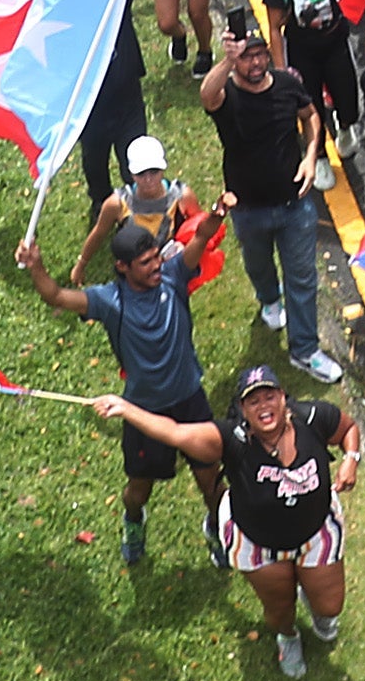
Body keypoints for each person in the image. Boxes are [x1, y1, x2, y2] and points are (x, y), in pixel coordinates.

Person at [91, 365, 360, 679]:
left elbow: (348, 429)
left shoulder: (313, 417)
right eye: (253, 401)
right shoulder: (230, 440)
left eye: (269, 396)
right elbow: (174, 432)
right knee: (279, 611)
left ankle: (312, 596)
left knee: (329, 607)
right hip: (259, 544)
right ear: (243, 411)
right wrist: (125, 408)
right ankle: (288, 638)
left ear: (283, 398)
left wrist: (351, 460)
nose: (263, 406)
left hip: (316, 533)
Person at [16, 205, 229, 563]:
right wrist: (35, 265)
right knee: (138, 490)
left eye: (156, 257)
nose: (157, 265)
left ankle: (217, 528)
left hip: (191, 402)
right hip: (143, 411)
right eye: (146, 263)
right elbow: (56, 296)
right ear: (122, 267)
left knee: (212, 482)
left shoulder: (174, 275)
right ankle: (133, 520)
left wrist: (218, 213)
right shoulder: (109, 301)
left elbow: (203, 236)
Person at [202, 9, 344, 384]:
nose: (255, 62)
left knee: (303, 279)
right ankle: (269, 298)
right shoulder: (227, 95)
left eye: (260, 54)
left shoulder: (286, 84)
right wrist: (226, 61)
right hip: (248, 209)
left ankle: (305, 350)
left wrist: (311, 156)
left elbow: (310, 115)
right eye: (246, 56)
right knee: (258, 266)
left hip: (295, 206)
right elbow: (207, 94)